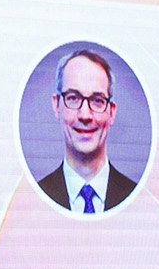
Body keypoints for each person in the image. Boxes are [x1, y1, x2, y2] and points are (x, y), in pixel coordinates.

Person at [36, 49, 135, 215]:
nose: (85, 115)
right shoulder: (35, 198)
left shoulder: (138, 197)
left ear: (111, 112)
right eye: (73, 98)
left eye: (97, 100)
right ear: (56, 106)